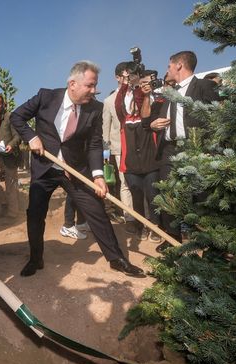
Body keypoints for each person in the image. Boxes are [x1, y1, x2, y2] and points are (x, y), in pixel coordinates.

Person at [10, 61, 144, 278]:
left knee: (96, 210)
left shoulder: (95, 108)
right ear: (72, 83)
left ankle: (117, 259)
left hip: (75, 170)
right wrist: (32, 137)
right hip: (45, 167)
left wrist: (98, 175)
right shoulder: (46, 97)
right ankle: (36, 258)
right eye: (90, 86)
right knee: (35, 214)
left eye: (96, 86)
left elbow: (94, 144)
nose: (94, 90)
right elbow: (17, 117)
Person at [148, 51, 220, 249]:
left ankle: (207, 242)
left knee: (200, 195)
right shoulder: (169, 93)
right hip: (169, 150)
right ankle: (172, 239)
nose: (167, 70)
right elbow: (155, 119)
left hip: (196, 148)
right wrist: (154, 125)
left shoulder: (205, 86)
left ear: (179, 65)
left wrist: (210, 149)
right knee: (168, 194)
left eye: (169, 66)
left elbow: (216, 120)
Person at [115, 67, 162, 243]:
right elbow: (119, 101)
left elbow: (142, 102)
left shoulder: (149, 115)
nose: (134, 101)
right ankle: (140, 226)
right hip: (131, 165)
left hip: (150, 163)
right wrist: (126, 84)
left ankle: (155, 228)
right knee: (136, 197)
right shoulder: (124, 118)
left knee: (152, 195)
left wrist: (143, 91)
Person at [102, 62, 135, 224]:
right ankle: (130, 218)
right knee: (125, 183)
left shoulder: (139, 94)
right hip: (119, 149)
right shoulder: (109, 101)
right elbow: (105, 130)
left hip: (140, 148)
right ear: (117, 77)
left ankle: (146, 218)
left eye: (131, 75)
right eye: (125, 75)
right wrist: (106, 155)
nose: (129, 78)